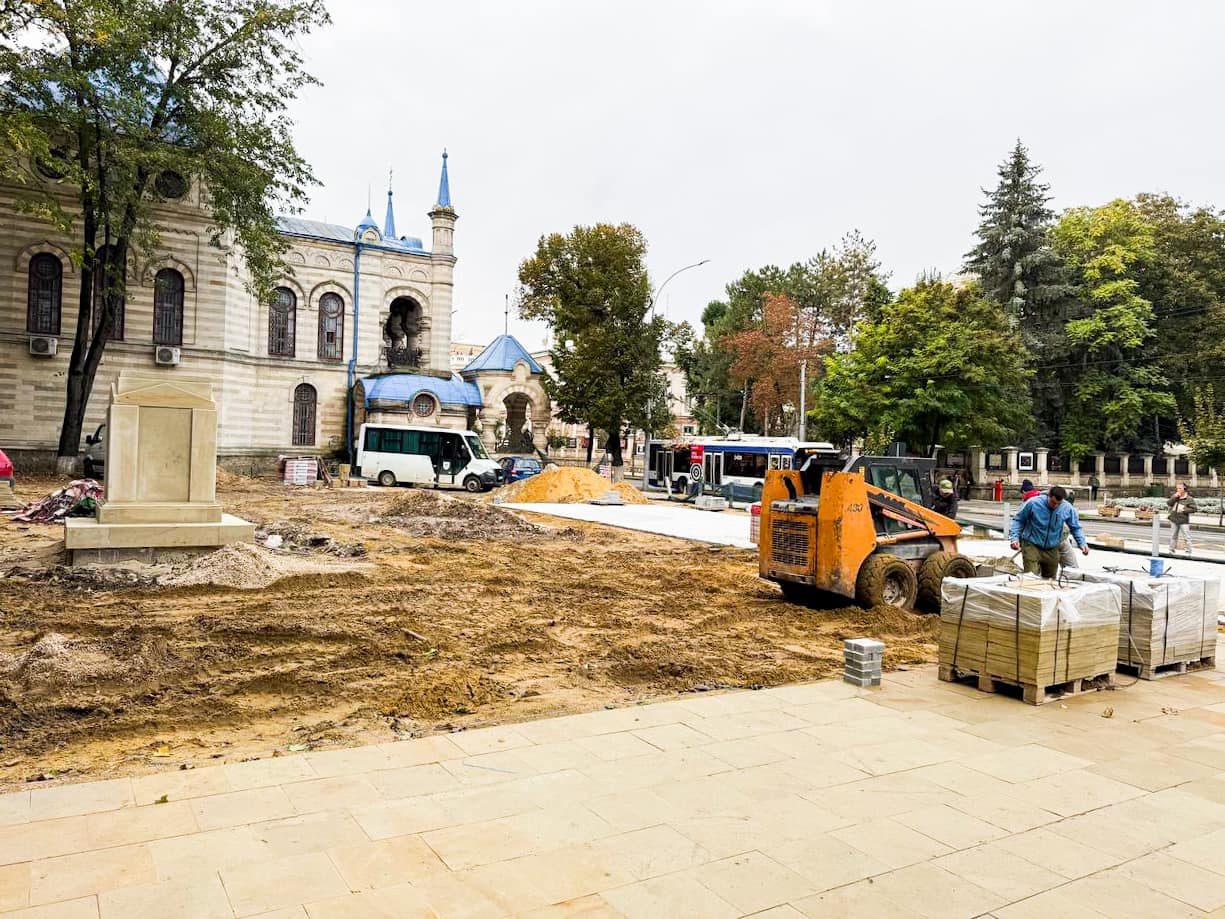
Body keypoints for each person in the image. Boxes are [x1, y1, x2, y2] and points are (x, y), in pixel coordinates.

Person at [1010, 485, 1089, 579]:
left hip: (1052, 547)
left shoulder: (1067, 508)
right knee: (1031, 578)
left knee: (1050, 580)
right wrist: (1014, 538)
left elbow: (1075, 527)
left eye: (1058, 504)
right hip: (1032, 544)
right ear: (1048, 496)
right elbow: (1019, 520)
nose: (1055, 506)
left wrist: (1082, 543)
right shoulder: (1033, 503)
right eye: (1053, 502)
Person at [1167, 482, 1198, 555]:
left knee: (1187, 537)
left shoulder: (1189, 498)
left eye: (1180, 488)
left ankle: (1188, 551)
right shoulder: (1175, 496)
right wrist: (1174, 497)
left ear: (1184, 488)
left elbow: (1194, 509)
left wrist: (1184, 510)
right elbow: (1169, 503)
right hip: (1174, 519)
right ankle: (1171, 550)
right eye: (1177, 488)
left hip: (1183, 520)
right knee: (1173, 536)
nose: (1178, 490)